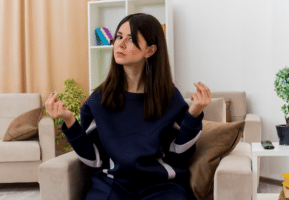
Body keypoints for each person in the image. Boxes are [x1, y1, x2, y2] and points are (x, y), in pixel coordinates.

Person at [45, 13, 211, 200]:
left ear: (150, 50)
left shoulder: (169, 97)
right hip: (112, 184)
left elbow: (179, 154)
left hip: (161, 186)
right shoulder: (99, 99)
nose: (120, 44)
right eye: (119, 37)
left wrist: (194, 113)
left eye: (131, 39)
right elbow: (94, 159)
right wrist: (68, 120)